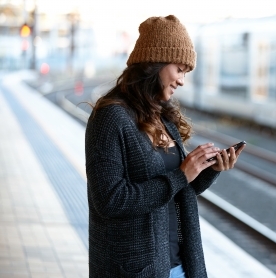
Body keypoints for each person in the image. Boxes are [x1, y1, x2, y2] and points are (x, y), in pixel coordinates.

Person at [85, 15, 245, 278]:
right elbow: (110, 200)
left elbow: (179, 189)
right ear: (155, 62)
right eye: (179, 69)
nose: (182, 80)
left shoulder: (163, 117)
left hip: (179, 264)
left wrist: (208, 169)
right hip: (135, 269)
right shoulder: (111, 117)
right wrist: (181, 174)